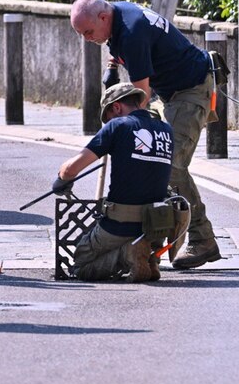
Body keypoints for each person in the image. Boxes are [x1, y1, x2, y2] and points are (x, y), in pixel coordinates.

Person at [69, 0, 220, 270]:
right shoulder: (115, 17)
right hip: (171, 91)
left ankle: (203, 240)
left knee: (168, 164)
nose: (86, 39)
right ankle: (150, 240)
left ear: (102, 19)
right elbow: (117, 45)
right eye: (81, 34)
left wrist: (118, 132)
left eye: (88, 32)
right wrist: (112, 67)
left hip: (190, 90)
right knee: (152, 159)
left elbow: (140, 98)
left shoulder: (132, 32)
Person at [54, 83, 175, 281]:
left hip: (121, 224)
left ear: (117, 107)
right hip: (156, 225)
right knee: (135, 241)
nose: (107, 122)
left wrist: (61, 179)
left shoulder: (118, 126)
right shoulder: (166, 130)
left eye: (108, 116)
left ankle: (129, 254)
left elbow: (70, 169)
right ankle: (147, 257)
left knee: (81, 263)